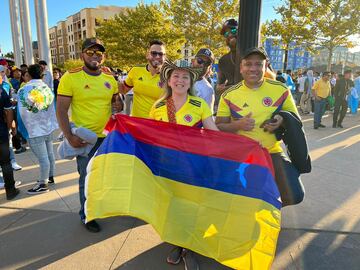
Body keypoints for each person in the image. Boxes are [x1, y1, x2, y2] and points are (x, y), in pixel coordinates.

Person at [149, 59, 218, 270]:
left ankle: (191, 245)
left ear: (191, 83)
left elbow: (213, 133)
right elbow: (149, 136)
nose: (180, 80)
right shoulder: (158, 106)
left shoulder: (200, 105)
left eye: (185, 77)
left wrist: (243, 144)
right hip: (167, 166)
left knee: (192, 206)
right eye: (176, 76)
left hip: (194, 166)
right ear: (169, 81)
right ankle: (179, 243)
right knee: (173, 207)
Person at [216, 47, 305, 206]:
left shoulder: (280, 89)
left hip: (272, 152)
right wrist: (238, 124)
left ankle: (268, 210)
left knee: (295, 194)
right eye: (248, 64)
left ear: (265, 67)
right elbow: (219, 126)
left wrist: (280, 119)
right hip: (242, 154)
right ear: (241, 68)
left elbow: (295, 118)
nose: (253, 68)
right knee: (237, 196)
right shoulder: (228, 95)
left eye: (258, 64)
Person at [57, 37, 123, 233]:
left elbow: (117, 104)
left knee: (103, 177)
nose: (95, 56)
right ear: (82, 55)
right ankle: (86, 215)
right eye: (90, 52)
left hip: (107, 137)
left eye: (99, 53)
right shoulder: (70, 77)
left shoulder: (109, 78)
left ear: (103, 56)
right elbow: (61, 110)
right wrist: (69, 136)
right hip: (84, 138)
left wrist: (118, 103)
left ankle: (99, 208)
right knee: (86, 177)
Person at [17, 64, 58, 194]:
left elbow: (22, 112)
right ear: (42, 75)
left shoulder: (24, 90)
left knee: (43, 158)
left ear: (28, 74)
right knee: (49, 154)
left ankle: (43, 183)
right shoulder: (46, 88)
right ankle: (50, 176)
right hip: (48, 126)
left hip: (34, 128)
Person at [119, 40, 166, 118]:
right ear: (147, 55)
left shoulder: (170, 77)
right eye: (154, 53)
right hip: (137, 124)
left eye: (161, 54)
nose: (157, 57)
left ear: (165, 57)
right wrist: (111, 77)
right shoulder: (135, 71)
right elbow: (123, 90)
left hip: (158, 126)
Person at [0, 75, 20, 200]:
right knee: (5, 162)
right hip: (1, 131)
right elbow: (8, 111)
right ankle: (10, 190)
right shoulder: (1, 91)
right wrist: (10, 127)